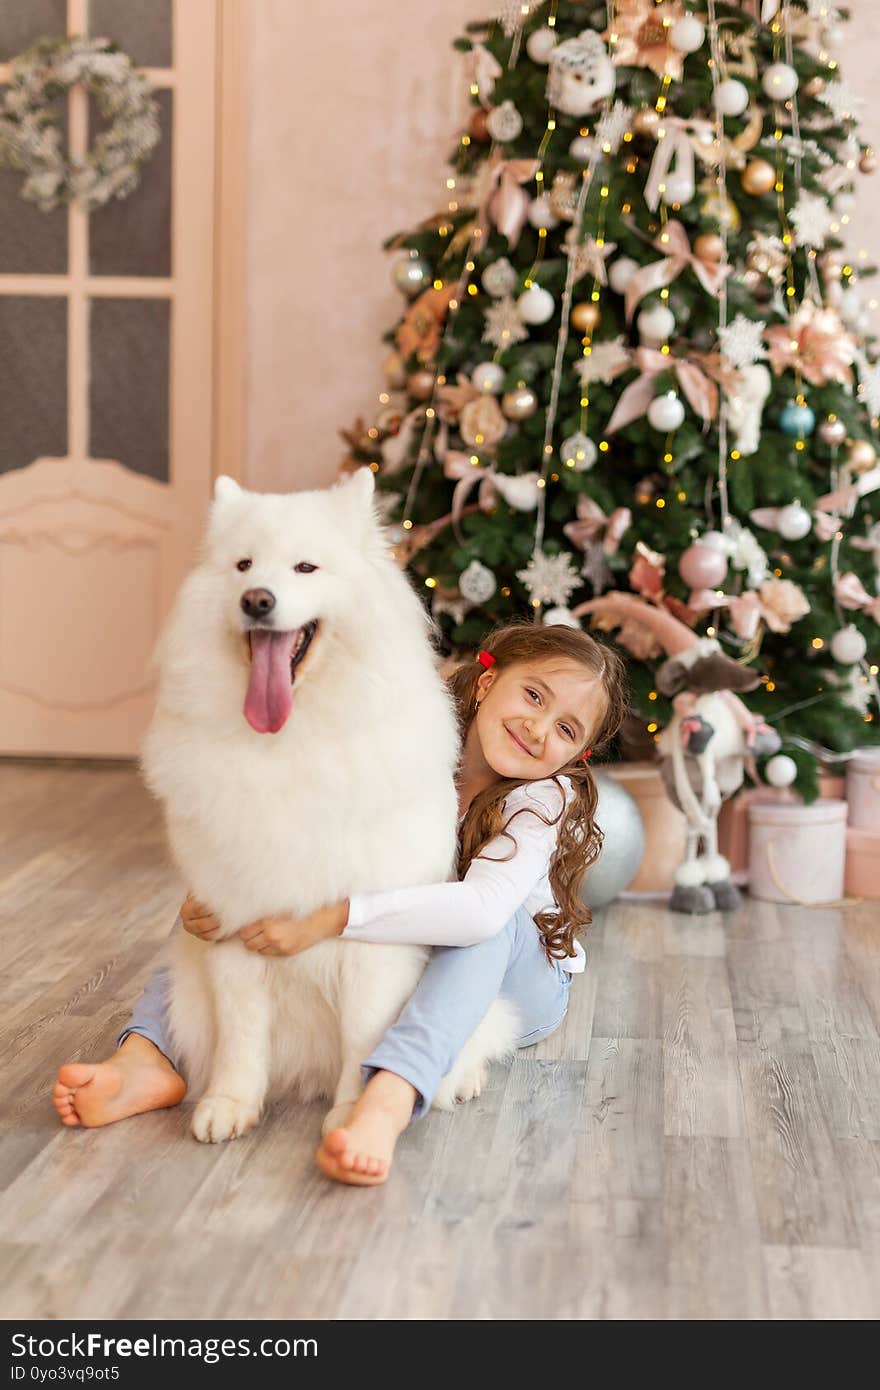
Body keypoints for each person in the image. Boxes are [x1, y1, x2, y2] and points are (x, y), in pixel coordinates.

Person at [53, 621, 627, 1186]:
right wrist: (225, 893)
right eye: (533, 695)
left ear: (576, 757)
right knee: (227, 904)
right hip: (410, 951)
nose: (538, 726)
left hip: (518, 983)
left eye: (566, 729)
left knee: (482, 932)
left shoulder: (544, 797)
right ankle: (147, 1054)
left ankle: (389, 1097)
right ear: (484, 682)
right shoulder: (411, 738)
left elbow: (478, 911)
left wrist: (330, 918)